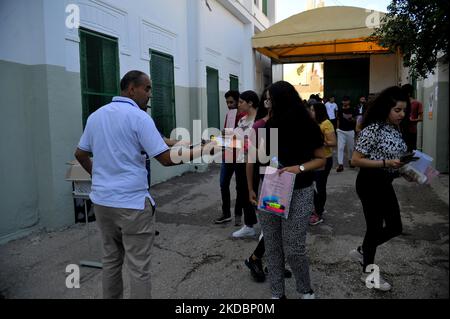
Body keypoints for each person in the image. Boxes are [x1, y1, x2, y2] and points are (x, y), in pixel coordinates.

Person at [74, 70, 210, 299]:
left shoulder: (96, 116)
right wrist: (205, 150)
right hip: (132, 205)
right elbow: (166, 159)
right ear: (131, 89)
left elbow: (80, 154)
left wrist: (97, 178)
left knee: (110, 262)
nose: (150, 95)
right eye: (147, 89)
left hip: (102, 203)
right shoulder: (139, 117)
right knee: (139, 269)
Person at [248, 81, 326, 299]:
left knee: (293, 248)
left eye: (270, 98)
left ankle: (305, 290)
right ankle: (277, 293)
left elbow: (321, 160)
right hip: (270, 191)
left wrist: (298, 168)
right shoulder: (265, 127)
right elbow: (255, 160)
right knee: (272, 247)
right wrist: (251, 188)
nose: (266, 102)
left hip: (299, 191)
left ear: (281, 100)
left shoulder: (308, 126)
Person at [349, 86, 411, 292]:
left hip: (385, 182)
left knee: (395, 227)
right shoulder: (372, 129)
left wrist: (407, 171)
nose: (402, 114)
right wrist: (386, 163)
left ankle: (364, 249)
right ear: (386, 108)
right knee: (374, 228)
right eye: (397, 110)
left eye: (404, 110)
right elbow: (355, 160)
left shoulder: (395, 128)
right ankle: (368, 272)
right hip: (369, 183)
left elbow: (396, 159)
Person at [244, 88, 292, 282]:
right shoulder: (259, 126)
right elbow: (250, 160)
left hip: (291, 180)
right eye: (267, 100)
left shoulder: (291, 123)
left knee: (283, 228)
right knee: (275, 228)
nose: (268, 103)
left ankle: (271, 263)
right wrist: (250, 188)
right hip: (272, 182)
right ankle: (255, 259)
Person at [215, 90, 247, 225]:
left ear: (238, 101)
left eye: (231, 102)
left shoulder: (245, 117)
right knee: (223, 184)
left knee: (240, 187)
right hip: (227, 154)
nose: (229, 105)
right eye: (227, 102)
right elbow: (226, 134)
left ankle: (238, 215)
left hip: (240, 156)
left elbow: (245, 140)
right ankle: (226, 213)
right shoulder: (229, 115)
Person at [231, 91, 259, 238]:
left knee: (261, 191)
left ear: (250, 103)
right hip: (242, 161)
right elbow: (235, 141)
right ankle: (249, 225)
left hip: (258, 162)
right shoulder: (242, 121)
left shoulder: (260, 121)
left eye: (241, 102)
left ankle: (270, 225)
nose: (238, 104)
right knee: (243, 192)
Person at [309, 103, 337, 225]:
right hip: (313, 160)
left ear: (319, 111)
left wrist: (319, 140)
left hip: (325, 159)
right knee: (309, 184)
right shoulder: (314, 123)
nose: (311, 112)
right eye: (310, 110)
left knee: (320, 187)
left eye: (313, 110)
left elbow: (333, 142)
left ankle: (318, 213)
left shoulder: (326, 123)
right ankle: (318, 207)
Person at [336, 96, 356, 172]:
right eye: (343, 101)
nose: (344, 102)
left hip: (350, 131)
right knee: (340, 148)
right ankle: (340, 164)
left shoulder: (353, 109)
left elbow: (355, 120)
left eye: (346, 101)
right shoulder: (340, 110)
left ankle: (350, 160)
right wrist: (337, 129)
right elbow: (338, 119)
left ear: (349, 102)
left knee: (350, 148)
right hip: (341, 131)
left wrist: (351, 119)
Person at [401, 84, 423, 152]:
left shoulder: (417, 103)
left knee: (411, 151)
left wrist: (412, 120)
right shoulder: (401, 103)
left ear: (408, 93)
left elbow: (421, 118)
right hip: (401, 129)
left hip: (411, 131)